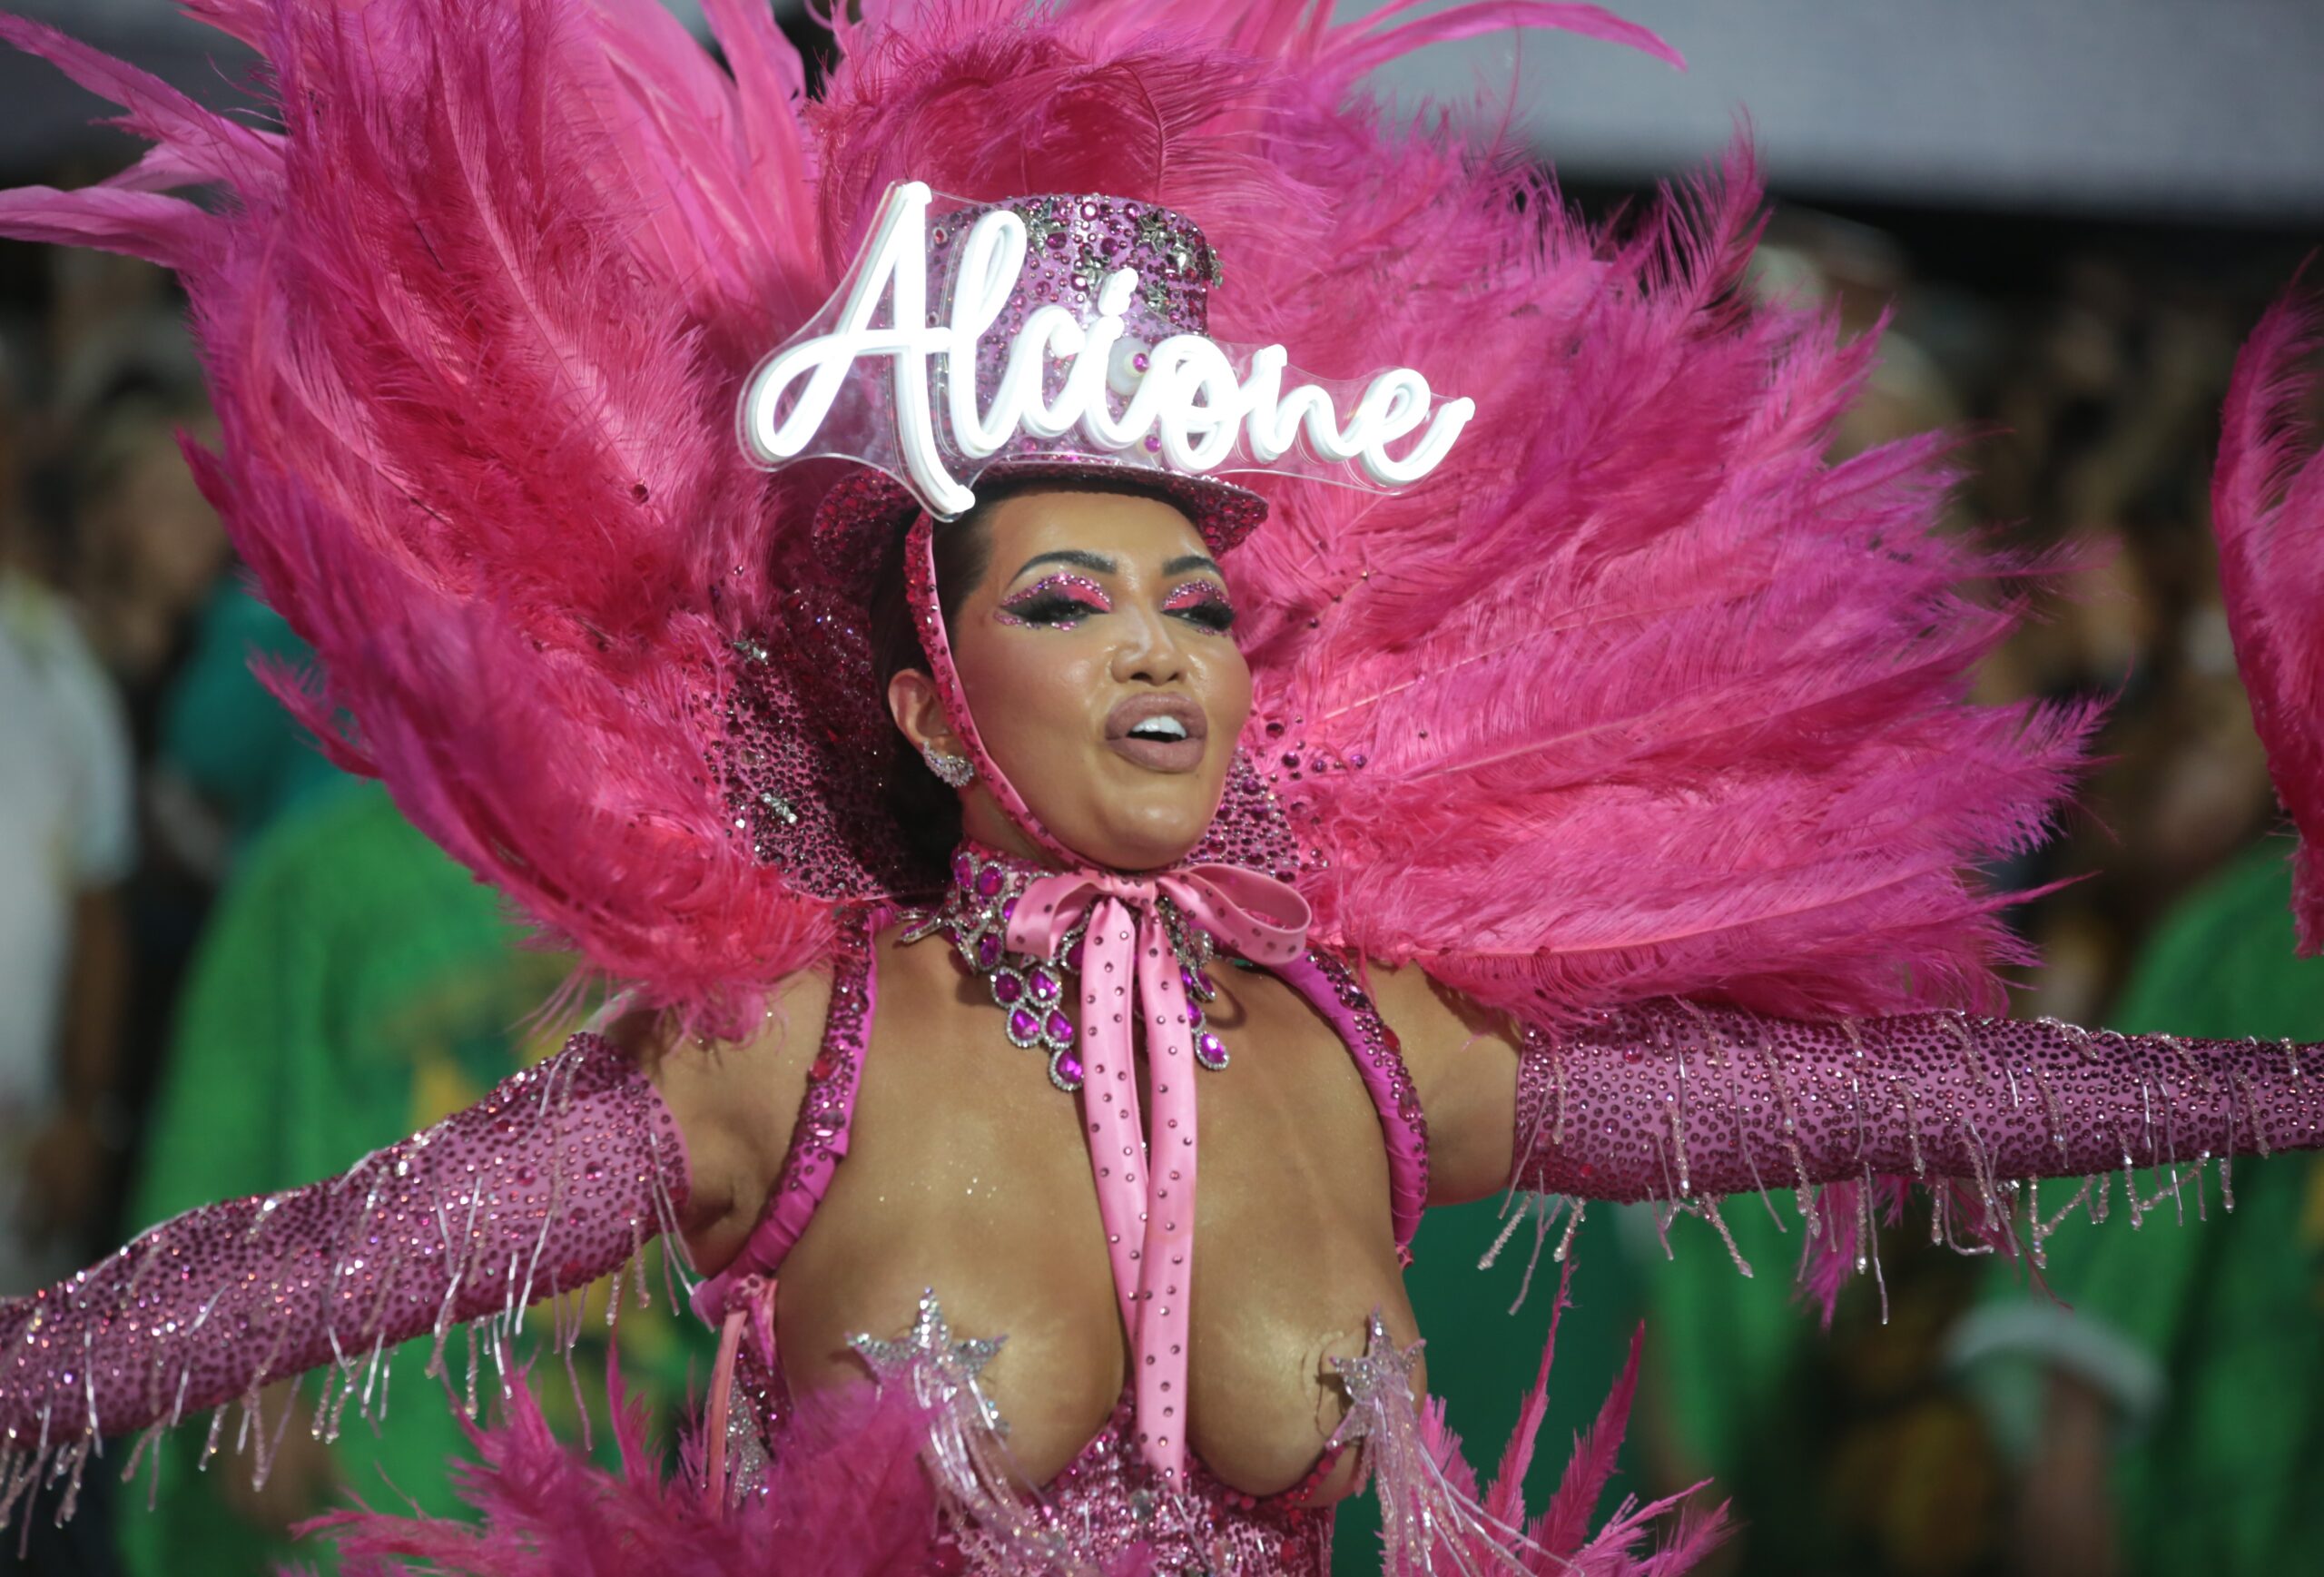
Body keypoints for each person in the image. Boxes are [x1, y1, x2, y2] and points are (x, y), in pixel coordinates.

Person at [0, 2, 2320, 1571]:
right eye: (1065, 599)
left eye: (1196, 603)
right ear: (930, 707)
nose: (1151, 643)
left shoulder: (1370, 1051)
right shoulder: (782, 1059)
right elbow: (299, 1273)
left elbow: (1897, 1100)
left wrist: (2274, 1082)